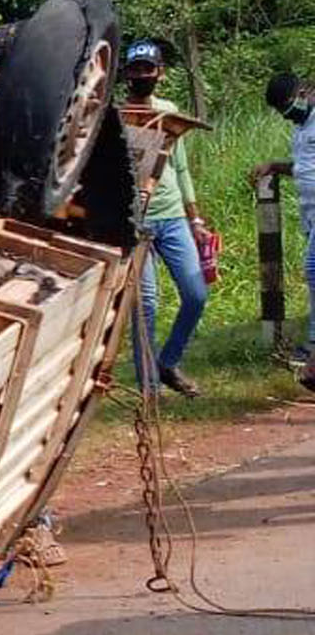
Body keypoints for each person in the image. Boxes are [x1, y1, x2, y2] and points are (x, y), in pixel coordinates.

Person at [123, 38, 209, 397]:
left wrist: (195, 219)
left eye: (148, 69)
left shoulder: (168, 111)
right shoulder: (117, 116)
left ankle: (168, 361)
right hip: (135, 222)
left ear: (160, 73)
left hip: (172, 216)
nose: (142, 75)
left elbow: (181, 167)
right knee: (146, 306)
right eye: (136, 70)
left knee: (196, 294)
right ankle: (149, 389)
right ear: (127, 74)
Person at [263, 68, 315, 396]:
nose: (287, 113)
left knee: (313, 271)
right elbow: (306, 167)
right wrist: (274, 167)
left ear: (303, 91)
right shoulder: (300, 129)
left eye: (288, 104)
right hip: (310, 216)